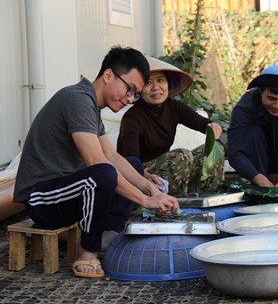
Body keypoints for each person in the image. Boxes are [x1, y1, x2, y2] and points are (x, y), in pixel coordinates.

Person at [13, 46, 179, 278]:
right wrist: (144, 200)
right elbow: (96, 161)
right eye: (129, 89)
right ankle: (88, 251)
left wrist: (152, 191)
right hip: (41, 198)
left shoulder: (91, 106)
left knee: (132, 164)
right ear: (109, 75)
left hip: (67, 191)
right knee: (102, 175)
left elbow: (112, 156)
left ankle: (108, 234)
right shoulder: (76, 99)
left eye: (135, 94)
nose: (130, 99)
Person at [117, 56, 223, 196]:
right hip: (140, 176)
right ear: (139, 89)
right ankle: (172, 199)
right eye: (148, 82)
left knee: (214, 149)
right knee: (181, 156)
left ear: (168, 83)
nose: (156, 88)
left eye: (160, 80)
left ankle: (204, 197)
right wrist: (146, 178)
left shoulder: (174, 107)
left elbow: (202, 124)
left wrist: (213, 126)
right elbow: (129, 161)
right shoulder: (133, 117)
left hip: (167, 171)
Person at [227, 65, 278, 192]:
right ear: (260, 92)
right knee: (254, 132)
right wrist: (259, 179)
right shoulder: (245, 107)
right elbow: (235, 153)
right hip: (257, 164)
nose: (277, 105)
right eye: (271, 98)